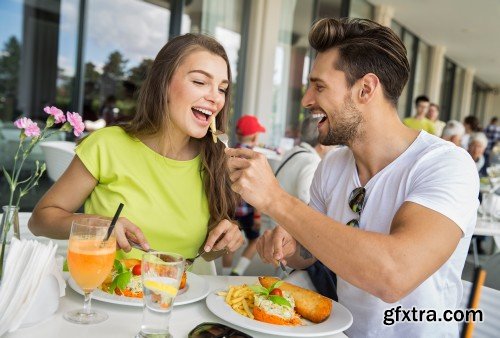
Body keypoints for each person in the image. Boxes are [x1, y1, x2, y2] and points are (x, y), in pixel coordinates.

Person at [226, 18, 478, 337]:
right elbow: (310, 253)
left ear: (365, 89)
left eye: (319, 86)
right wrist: (290, 246)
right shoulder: (332, 166)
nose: (306, 100)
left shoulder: (445, 164)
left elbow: (393, 276)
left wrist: (276, 200)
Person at [29, 34, 244, 261]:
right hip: (99, 290)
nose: (215, 98)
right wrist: (100, 225)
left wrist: (227, 238)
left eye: (222, 88)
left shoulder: (215, 160)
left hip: (175, 293)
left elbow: (207, 254)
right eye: (200, 82)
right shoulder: (107, 146)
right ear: (164, 84)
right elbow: (39, 221)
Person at [222, 115, 266, 276]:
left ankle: (225, 274)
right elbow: (256, 189)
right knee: (254, 240)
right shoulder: (254, 159)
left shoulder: (229, 154)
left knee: (230, 242)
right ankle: (238, 271)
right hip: (248, 211)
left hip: (230, 208)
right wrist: (257, 216)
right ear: (255, 136)